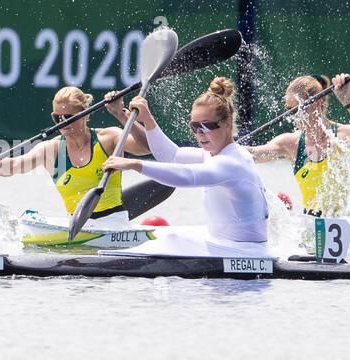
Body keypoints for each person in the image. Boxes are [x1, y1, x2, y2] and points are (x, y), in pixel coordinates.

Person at [102, 77, 271, 255]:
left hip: (244, 253)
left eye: (206, 126)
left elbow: (186, 176)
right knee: (168, 236)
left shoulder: (232, 162)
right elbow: (171, 156)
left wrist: (134, 164)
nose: (200, 133)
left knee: (170, 241)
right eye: (195, 126)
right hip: (228, 246)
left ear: (227, 124)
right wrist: (144, 118)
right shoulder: (213, 155)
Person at [0, 86, 150, 226]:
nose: (62, 123)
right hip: (77, 225)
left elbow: (146, 148)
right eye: (56, 117)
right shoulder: (50, 149)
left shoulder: (109, 138)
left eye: (68, 117)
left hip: (114, 223)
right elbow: (14, 166)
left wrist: (121, 114)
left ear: (85, 114)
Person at [245, 74, 350, 216]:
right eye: (290, 110)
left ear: (319, 103)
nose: (293, 115)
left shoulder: (343, 136)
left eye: (299, 108)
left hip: (348, 223)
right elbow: (252, 155)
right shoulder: (290, 143)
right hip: (312, 228)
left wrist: (347, 101)